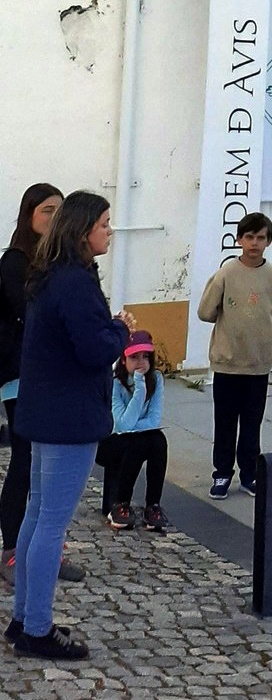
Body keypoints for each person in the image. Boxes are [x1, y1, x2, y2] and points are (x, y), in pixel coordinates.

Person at [8, 191, 132, 660]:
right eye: (104, 224)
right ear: (82, 232)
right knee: (50, 525)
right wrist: (121, 329)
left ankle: (24, 619)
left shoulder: (52, 274)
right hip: (68, 417)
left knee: (37, 516)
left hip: (47, 412)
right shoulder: (74, 282)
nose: (109, 232)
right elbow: (94, 350)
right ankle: (36, 629)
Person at [0, 184, 84, 585]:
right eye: (47, 210)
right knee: (24, 460)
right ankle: (12, 552)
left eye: (58, 211)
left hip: (48, 374)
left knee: (45, 467)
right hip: (20, 374)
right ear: (29, 214)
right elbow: (31, 312)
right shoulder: (15, 261)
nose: (53, 218)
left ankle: (43, 549)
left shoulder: (56, 261)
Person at [197, 212, 272, 500]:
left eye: (261, 237)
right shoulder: (226, 274)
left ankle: (250, 474)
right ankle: (222, 473)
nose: (254, 243)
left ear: (268, 241)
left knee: (252, 424)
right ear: (239, 239)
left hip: (257, 364)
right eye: (249, 237)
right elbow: (205, 311)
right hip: (228, 363)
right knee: (225, 423)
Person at [99, 331, 170, 531]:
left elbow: (154, 420)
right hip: (109, 441)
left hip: (140, 438)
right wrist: (139, 388)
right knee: (136, 442)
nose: (141, 362)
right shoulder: (115, 383)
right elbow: (122, 425)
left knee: (158, 441)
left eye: (145, 356)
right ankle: (121, 503)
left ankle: (153, 505)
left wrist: (136, 427)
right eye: (134, 357)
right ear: (123, 360)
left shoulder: (156, 379)